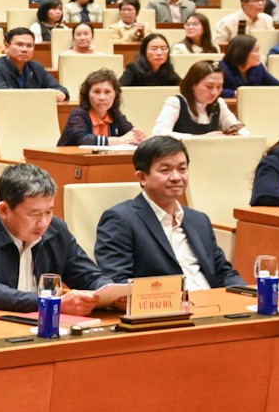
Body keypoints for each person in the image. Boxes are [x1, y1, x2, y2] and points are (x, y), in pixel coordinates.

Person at [0, 162, 121, 313]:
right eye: (34, 214)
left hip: (33, 323)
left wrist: (114, 295)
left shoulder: (56, 229)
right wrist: (52, 304)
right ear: (4, 210)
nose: (43, 223)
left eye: (49, 212)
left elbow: (88, 275)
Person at [92, 135, 247, 292]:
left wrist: (247, 295)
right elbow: (118, 283)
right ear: (142, 177)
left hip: (215, 306)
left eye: (182, 169)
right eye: (165, 170)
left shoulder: (199, 219)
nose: (176, 177)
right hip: (165, 310)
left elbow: (224, 272)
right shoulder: (120, 220)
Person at [153, 60, 244, 137]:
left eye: (219, 87)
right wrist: (201, 139)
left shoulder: (219, 103)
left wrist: (242, 134)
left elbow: (236, 126)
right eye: (209, 86)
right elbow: (159, 134)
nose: (214, 92)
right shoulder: (176, 102)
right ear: (193, 84)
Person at [60, 70, 145, 147]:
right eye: (96, 92)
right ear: (87, 94)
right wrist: (120, 140)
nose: (102, 97)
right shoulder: (78, 114)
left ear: (115, 95)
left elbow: (131, 135)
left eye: (107, 92)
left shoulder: (116, 116)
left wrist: (139, 136)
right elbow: (83, 139)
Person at [0, 28, 70, 97]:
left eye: (29, 46)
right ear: (7, 47)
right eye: (19, 45)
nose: (24, 49)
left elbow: (59, 88)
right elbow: (4, 96)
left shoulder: (36, 67)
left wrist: (61, 94)